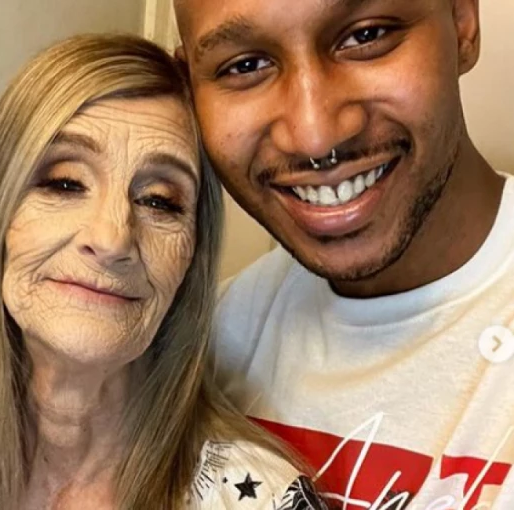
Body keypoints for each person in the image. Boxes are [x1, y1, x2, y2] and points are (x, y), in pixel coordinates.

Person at [0, 35, 329, 510]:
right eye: (63, 183)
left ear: (192, 255)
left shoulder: (262, 499)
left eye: (159, 201)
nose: (111, 239)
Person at [173, 0, 514, 508]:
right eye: (246, 66)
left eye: (366, 36)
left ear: (462, 22)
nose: (314, 135)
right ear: (190, 90)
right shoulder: (200, 355)